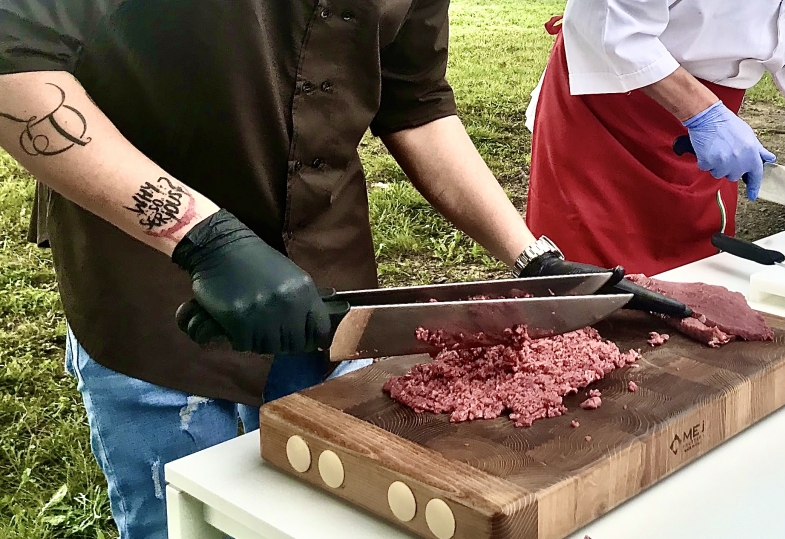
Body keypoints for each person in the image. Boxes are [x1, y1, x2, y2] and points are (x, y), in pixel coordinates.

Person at [0, 2, 684, 537]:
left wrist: (532, 258)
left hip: (329, 295)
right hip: (152, 284)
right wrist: (202, 236)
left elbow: (416, 102)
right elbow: (15, 55)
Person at [524, 0, 785, 277]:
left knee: (699, 270)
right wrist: (703, 111)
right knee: (587, 278)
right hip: (608, 105)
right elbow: (604, 16)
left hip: (712, 131)